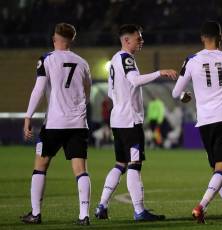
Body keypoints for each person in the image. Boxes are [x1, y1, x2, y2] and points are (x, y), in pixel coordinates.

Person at [94, 24, 177, 221]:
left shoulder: (114, 59)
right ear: (126, 40)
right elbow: (135, 80)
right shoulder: (126, 58)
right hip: (130, 121)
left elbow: (110, 92)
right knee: (134, 164)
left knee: (119, 164)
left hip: (118, 119)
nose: (141, 41)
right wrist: (160, 72)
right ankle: (139, 211)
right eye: (138, 38)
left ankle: (102, 205)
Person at [172, 20, 222, 224]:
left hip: (205, 122)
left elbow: (176, 93)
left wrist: (185, 97)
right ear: (221, 37)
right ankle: (201, 206)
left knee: (217, 169)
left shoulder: (191, 60)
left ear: (201, 38)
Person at [21, 23, 92, 225]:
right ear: (72, 39)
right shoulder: (83, 62)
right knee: (81, 170)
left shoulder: (47, 59)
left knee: (40, 167)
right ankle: (84, 215)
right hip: (78, 124)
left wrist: (28, 117)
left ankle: (36, 213)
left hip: (53, 123)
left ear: (55, 38)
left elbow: (39, 89)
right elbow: (87, 94)